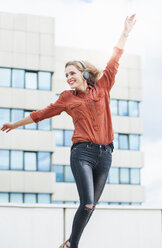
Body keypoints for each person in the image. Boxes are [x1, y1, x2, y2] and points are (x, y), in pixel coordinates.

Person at [0, 14, 136, 248]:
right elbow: (41, 113)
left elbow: (115, 59)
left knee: (91, 206)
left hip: (105, 155)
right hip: (82, 153)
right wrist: (14, 124)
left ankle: (69, 242)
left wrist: (125, 32)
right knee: (86, 203)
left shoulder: (102, 86)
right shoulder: (66, 98)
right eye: (66, 76)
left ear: (83, 73)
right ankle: (73, 246)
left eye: (72, 73)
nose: (69, 78)